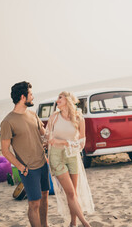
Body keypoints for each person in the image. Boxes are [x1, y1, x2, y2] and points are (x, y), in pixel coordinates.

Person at [1, 81, 49, 227]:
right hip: (28, 169)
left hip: (42, 163)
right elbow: (5, 150)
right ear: (23, 97)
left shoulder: (33, 114)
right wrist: (21, 167)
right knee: (34, 203)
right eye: (30, 94)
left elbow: (45, 134)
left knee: (45, 197)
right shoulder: (7, 122)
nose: (33, 97)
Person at [45, 91, 94, 227]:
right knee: (71, 192)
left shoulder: (79, 118)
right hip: (56, 156)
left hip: (72, 156)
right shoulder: (54, 117)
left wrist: (65, 143)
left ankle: (73, 223)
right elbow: (49, 139)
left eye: (60, 97)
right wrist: (65, 142)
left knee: (73, 193)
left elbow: (82, 142)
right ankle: (85, 223)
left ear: (67, 99)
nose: (57, 100)